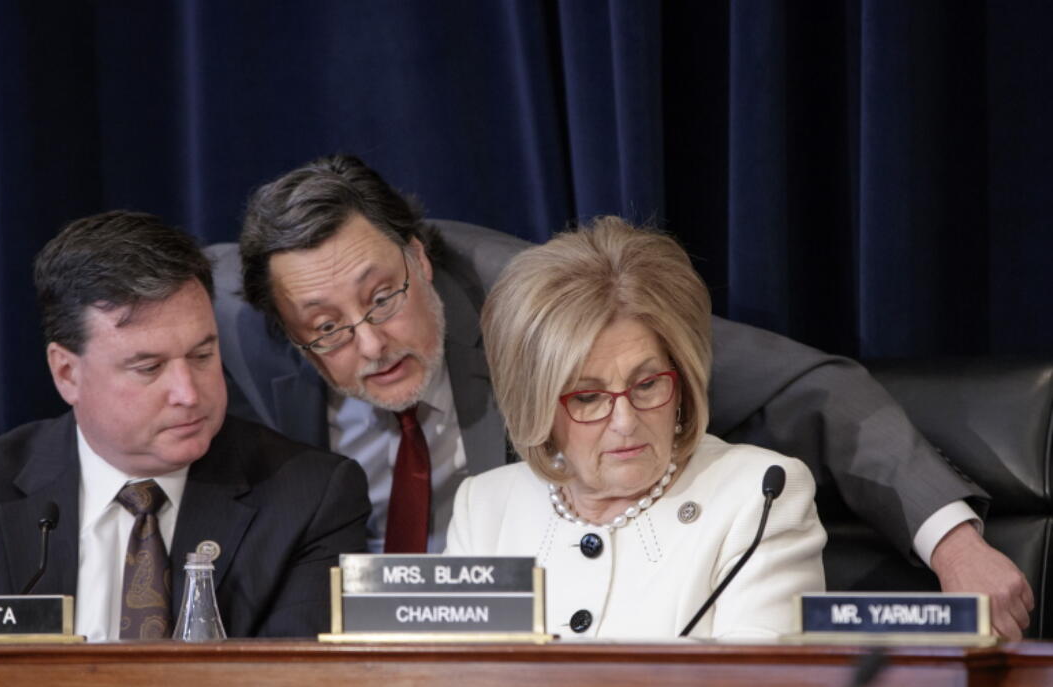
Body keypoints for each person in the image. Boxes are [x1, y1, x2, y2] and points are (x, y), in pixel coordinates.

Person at [218, 154, 1033, 639]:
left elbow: (811, 387)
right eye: (324, 328)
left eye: (383, 297)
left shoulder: (557, 313)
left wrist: (953, 543)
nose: (368, 342)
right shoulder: (223, 331)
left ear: (420, 260)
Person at [0, 211, 370, 641]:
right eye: (148, 368)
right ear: (67, 373)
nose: (189, 393)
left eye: (203, 354)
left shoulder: (309, 497)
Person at [446, 217, 825, 638]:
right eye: (587, 398)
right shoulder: (485, 509)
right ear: (534, 405)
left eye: (646, 385)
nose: (625, 422)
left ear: (682, 379)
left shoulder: (758, 498)